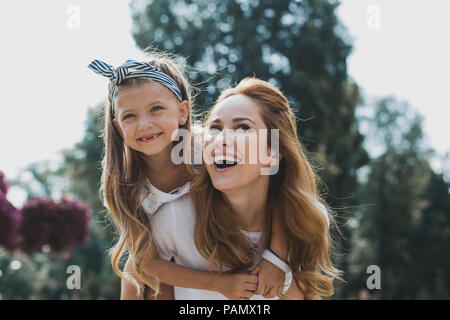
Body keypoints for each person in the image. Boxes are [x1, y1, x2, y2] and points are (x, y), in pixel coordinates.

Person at [88, 50, 290, 300]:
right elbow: (147, 261)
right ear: (118, 125)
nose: (144, 124)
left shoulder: (206, 147)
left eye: (156, 109)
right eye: (130, 116)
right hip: (173, 265)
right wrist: (219, 284)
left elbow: (278, 191)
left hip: (220, 240)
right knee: (135, 278)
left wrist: (276, 258)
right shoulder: (124, 184)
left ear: (183, 112)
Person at [143, 77, 341, 299]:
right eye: (215, 128)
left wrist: (279, 261)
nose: (222, 139)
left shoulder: (307, 222)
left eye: (243, 127)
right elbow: (138, 268)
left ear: (272, 153)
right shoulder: (175, 217)